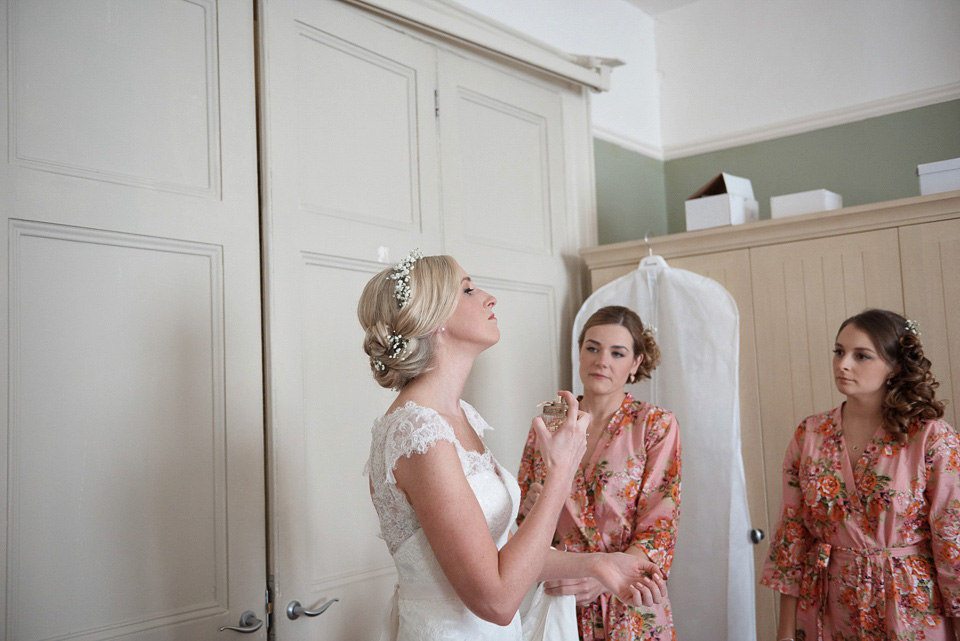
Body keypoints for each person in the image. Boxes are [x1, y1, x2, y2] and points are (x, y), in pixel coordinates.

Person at [360, 251, 667, 641]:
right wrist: (561, 471)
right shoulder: (418, 433)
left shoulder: (460, 417)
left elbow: (504, 558)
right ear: (435, 319)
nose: (489, 297)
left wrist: (598, 565)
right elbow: (499, 601)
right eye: (468, 289)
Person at [761, 308, 960, 641]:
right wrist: (785, 629)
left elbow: (953, 540)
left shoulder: (930, 437)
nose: (843, 364)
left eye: (861, 356)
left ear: (895, 366)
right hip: (828, 605)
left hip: (911, 608)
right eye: (839, 351)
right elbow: (792, 536)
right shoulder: (810, 433)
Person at [517, 305, 681, 640]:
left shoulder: (654, 425)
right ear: (579, 352)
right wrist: (531, 506)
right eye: (592, 347)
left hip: (628, 600)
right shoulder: (551, 420)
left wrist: (601, 576)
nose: (601, 360)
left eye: (617, 353)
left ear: (635, 363)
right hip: (560, 602)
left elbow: (659, 529)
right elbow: (520, 522)